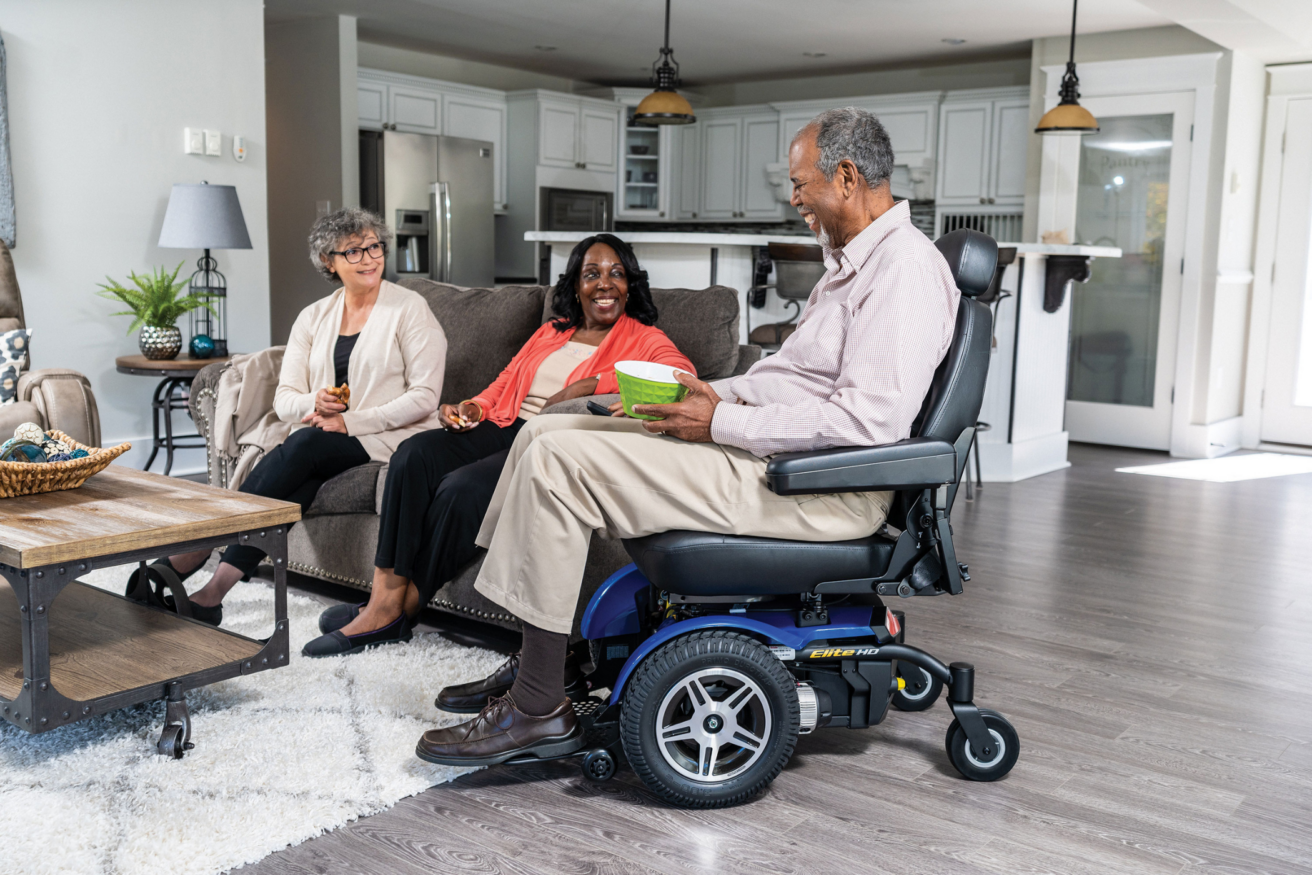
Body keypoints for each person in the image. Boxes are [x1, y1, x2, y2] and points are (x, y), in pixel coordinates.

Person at [413, 106, 962, 768]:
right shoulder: (849, 265)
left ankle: (537, 707)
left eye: (799, 184)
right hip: (779, 461)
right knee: (550, 427)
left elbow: (868, 423)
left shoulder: (902, 269)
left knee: (557, 458)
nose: (794, 200)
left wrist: (718, 423)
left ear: (846, 177)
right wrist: (687, 395)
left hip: (821, 490)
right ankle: (540, 663)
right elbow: (787, 380)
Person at [300, 233, 696, 658]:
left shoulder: (643, 338)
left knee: (463, 489)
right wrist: (472, 406)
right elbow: (507, 383)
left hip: (549, 440)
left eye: (616, 274)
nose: (605, 283)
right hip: (504, 422)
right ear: (575, 286)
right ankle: (384, 600)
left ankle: (399, 610)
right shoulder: (552, 331)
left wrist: (590, 384)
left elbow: (681, 377)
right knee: (413, 455)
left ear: (630, 285)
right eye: (591, 274)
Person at [126, 208, 447, 626]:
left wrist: (349, 422)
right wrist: (316, 402)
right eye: (354, 251)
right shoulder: (313, 317)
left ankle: (202, 543)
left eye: (374, 247)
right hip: (325, 439)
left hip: (391, 436)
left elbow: (425, 397)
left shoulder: (410, 309)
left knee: (304, 445)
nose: (369, 258)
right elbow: (285, 401)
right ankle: (211, 595)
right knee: (304, 473)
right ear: (329, 262)